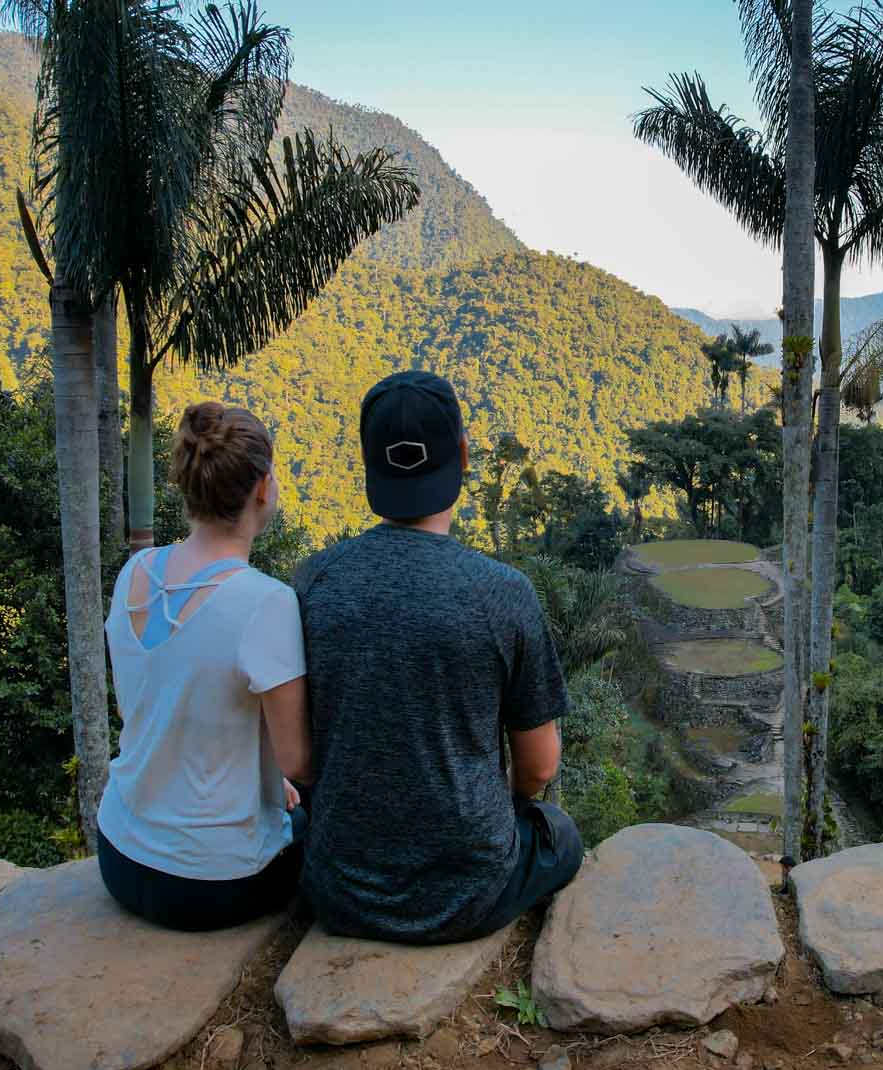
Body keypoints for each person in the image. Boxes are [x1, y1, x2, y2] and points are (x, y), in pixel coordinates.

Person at [292, 370, 583, 943]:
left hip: (338, 891)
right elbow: (538, 769)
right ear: (464, 456)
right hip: (468, 896)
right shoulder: (502, 592)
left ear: (368, 462)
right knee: (561, 834)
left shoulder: (312, 581)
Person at [95, 402, 311, 932]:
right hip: (214, 881)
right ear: (262, 488)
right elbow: (298, 761)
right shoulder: (266, 602)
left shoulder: (135, 572)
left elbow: (139, 710)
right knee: (316, 822)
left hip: (119, 854)